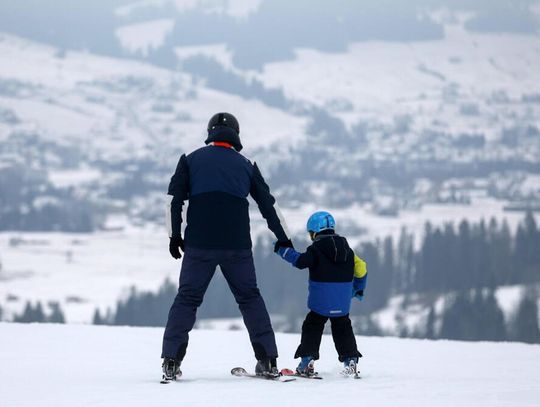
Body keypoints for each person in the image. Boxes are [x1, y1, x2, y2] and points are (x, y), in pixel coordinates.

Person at [161, 112, 293, 381]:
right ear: (236, 134)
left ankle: (171, 361)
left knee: (187, 299)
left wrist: (174, 235)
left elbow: (174, 200)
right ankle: (267, 360)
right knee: (249, 298)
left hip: (200, 244)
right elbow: (269, 206)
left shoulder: (190, 160)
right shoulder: (246, 165)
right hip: (237, 247)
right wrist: (284, 238)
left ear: (210, 133)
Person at [275, 211, 367, 377]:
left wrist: (283, 251)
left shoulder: (316, 249)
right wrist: (358, 288)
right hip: (342, 301)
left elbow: (301, 261)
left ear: (314, 232)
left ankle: (307, 361)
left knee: (313, 324)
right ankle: (351, 360)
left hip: (321, 301)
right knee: (342, 327)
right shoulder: (347, 249)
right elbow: (361, 269)